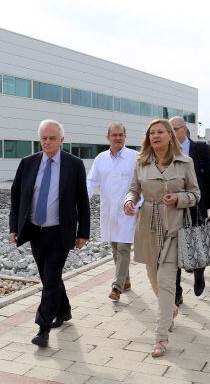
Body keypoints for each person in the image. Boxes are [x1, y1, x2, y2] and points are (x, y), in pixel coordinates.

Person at [9, 119, 90, 347]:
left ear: (62, 140)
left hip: (60, 233)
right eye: (44, 138)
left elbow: (82, 201)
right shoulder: (28, 163)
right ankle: (63, 311)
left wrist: (83, 231)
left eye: (52, 138)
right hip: (35, 231)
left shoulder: (74, 165)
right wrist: (14, 227)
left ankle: (42, 329)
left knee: (50, 280)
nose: (47, 142)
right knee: (48, 278)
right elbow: (16, 198)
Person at [123, 119, 200, 357]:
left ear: (170, 135)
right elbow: (134, 189)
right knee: (154, 279)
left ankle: (160, 338)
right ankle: (170, 310)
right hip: (147, 227)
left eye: (160, 132)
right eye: (151, 132)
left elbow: (196, 193)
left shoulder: (185, 162)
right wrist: (129, 200)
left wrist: (179, 198)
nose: (155, 135)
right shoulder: (141, 162)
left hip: (175, 227)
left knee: (167, 282)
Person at [169, 117, 210, 304]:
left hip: (196, 206)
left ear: (184, 129)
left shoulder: (201, 149)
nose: (172, 133)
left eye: (174, 129)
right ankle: (176, 291)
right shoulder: (165, 151)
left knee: (196, 242)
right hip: (173, 207)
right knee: (172, 249)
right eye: (169, 129)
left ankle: (199, 273)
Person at [86, 122, 138, 302]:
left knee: (124, 248)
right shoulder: (101, 159)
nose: (117, 138)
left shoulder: (135, 157)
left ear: (125, 136)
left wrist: (138, 205)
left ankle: (116, 287)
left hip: (128, 211)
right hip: (109, 211)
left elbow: (142, 184)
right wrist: (83, 199)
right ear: (108, 137)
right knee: (115, 250)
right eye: (114, 135)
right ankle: (127, 281)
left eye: (121, 135)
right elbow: (92, 181)